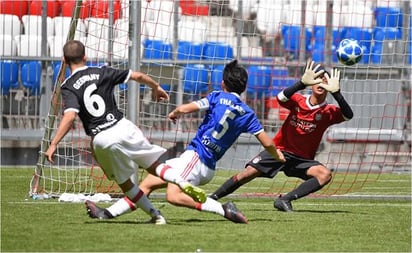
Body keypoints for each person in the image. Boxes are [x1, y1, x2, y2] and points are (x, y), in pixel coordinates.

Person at [86, 59, 286, 223]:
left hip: (197, 158)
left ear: (223, 83)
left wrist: (175, 112)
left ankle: (223, 209)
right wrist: (276, 154)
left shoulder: (216, 96)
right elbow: (266, 142)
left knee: (172, 196)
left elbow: (187, 108)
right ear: (243, 88)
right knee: (148, 182)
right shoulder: (248, 113)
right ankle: (108, 214)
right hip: (205, 163)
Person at [45, 40, 205, 225]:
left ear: (64, 60)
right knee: (154, 166)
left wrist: (54, 143)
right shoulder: (102, 70)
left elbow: (70, 116)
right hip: (122, 126)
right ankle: (181, 182)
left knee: (125, 183)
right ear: (85, 56)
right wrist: (155, 87)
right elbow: (137, 76)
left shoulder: (68, 85)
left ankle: (156, 215)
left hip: (101, 139)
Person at [209, 60, 354, 212]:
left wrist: (337, 93)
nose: (320, 83)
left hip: (302, 159)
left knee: (324, 175)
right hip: (279, 151)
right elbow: (280, 98)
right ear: (311, 84)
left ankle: (285, 200)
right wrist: (301, 83)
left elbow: (348, 115)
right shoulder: (299, 100)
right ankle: (213, 198)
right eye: (317, 79)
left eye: (325, 80)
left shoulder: (329, 111)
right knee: (247, 173)